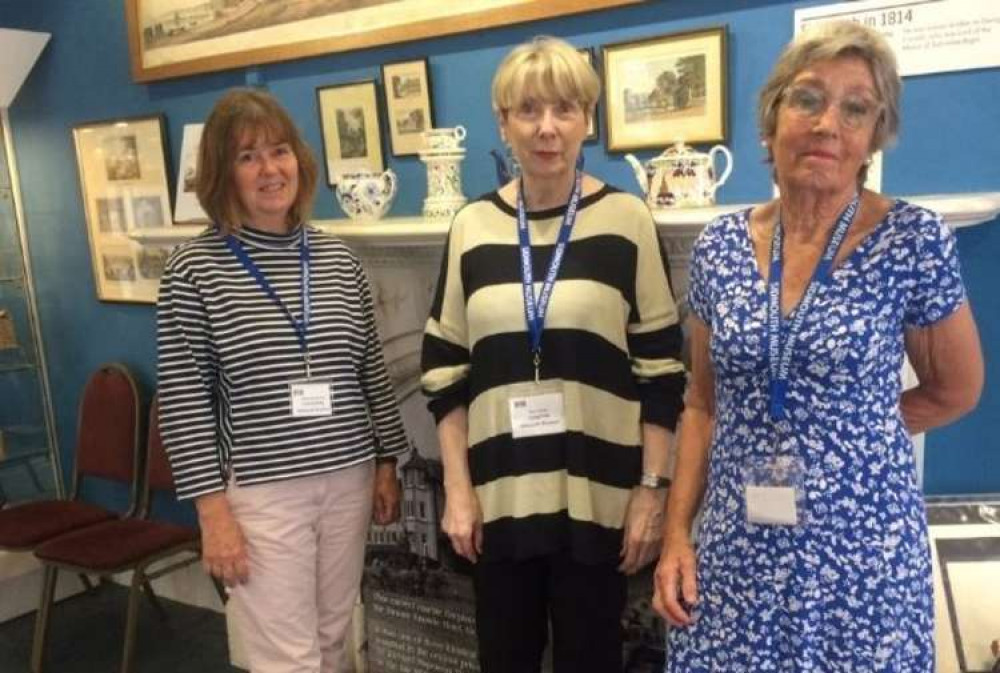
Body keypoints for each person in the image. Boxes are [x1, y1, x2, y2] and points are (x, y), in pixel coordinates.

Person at [653, 21, 983, 672]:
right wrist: (674, 538)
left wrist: (861, 428)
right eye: (807, 98)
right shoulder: (718, 248)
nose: (828, 122)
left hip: (864, 558)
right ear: (770, 122)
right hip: (737, 549)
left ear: (871, 139)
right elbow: (701, 405)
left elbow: (957, 389)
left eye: (855, 108)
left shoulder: (913, 241)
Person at [421, 37, 685, 673]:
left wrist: (652, 494)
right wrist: (457, 490)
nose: (547, 128)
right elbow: (444, 368)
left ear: (588, 121)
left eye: (565, 109)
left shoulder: (627, 220)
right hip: (499, 496)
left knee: (590, 659)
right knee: (503, 659)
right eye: (528, 110)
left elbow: (661, 370)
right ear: (502, 122)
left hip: (598, 497)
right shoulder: (471, 225)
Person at [157, 88, 408, 673]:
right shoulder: (193, 271)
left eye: (279, 151)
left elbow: (370, 367)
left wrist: (388, 462)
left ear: (300, 159)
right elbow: (185, 401)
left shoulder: (337, 261)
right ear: (222, 174)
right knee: (283, 657)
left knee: (333, 637)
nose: (270, 170)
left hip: (347, 476)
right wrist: (212, 515)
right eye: (248, 157)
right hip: (263, 495)